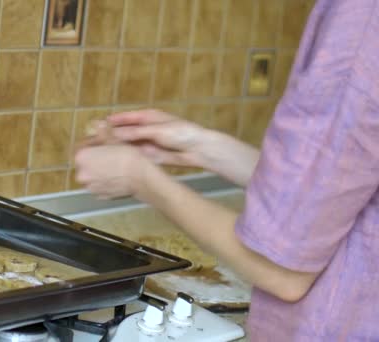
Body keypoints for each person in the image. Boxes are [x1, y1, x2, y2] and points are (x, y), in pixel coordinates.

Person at [74, 0, 379, 340]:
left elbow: (281, 270)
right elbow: (329, 189)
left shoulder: (361, 22)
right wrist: (200, 146)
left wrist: (139, 178)